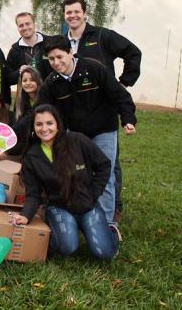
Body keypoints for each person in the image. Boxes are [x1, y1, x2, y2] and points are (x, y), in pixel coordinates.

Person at [38, 35, 137, 227]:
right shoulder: (52, 82)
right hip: (76, 133)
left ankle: (109, 226)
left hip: (104, 130)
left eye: (60, 57)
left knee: (104, 176)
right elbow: (40, 112)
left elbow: (120, 95)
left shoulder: (94, 68)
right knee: (78, 176)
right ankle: (83, 219)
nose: (56, 63)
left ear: (71, 53)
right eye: (51, 59)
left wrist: (128, 120)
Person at [63, 0, 142, 221]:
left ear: (85, 13)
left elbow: (133, 52)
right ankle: (84, 206)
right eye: (69, 12)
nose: (73, 16)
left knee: (109, 162)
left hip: (103, 112)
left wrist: (124, 82)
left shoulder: (102, 36)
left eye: (77, 11)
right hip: (76, 114)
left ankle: (114, 209)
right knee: (79, 164)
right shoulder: (63, 42)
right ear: (65, 16)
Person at [12, 104, 120, 260]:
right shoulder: (31, 156)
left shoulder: (77, 141)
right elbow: (33, 194)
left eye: (49, 123)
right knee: (67, 248)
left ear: (58, 124)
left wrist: (93, 194)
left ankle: (111, 232)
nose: (44, 128)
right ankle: (64, 230)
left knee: (104, 253)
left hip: (87, 205)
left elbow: (103, 165)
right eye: (39, 124)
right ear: (33, 127)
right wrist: (25, 215)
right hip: (59, 207)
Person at [5, 12, 52, 85]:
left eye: (27, 24)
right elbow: (8, 78)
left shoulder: (49, 43)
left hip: (49, 93)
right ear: (17, 28)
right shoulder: (14, 50)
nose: (25, 28)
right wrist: (18, 72)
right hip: (26, 94)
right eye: (21, 25)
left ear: (34, 24)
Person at [8, 66, 43, 156]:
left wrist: (10, 132)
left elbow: (27, 120)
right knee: (11, 149)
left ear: (38, 81)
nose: (28, 83)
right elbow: (19, 122)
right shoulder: (21, 101)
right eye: (25, 80)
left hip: (43, 135)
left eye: (32, 80)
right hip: (29, 135)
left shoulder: (43, 98)